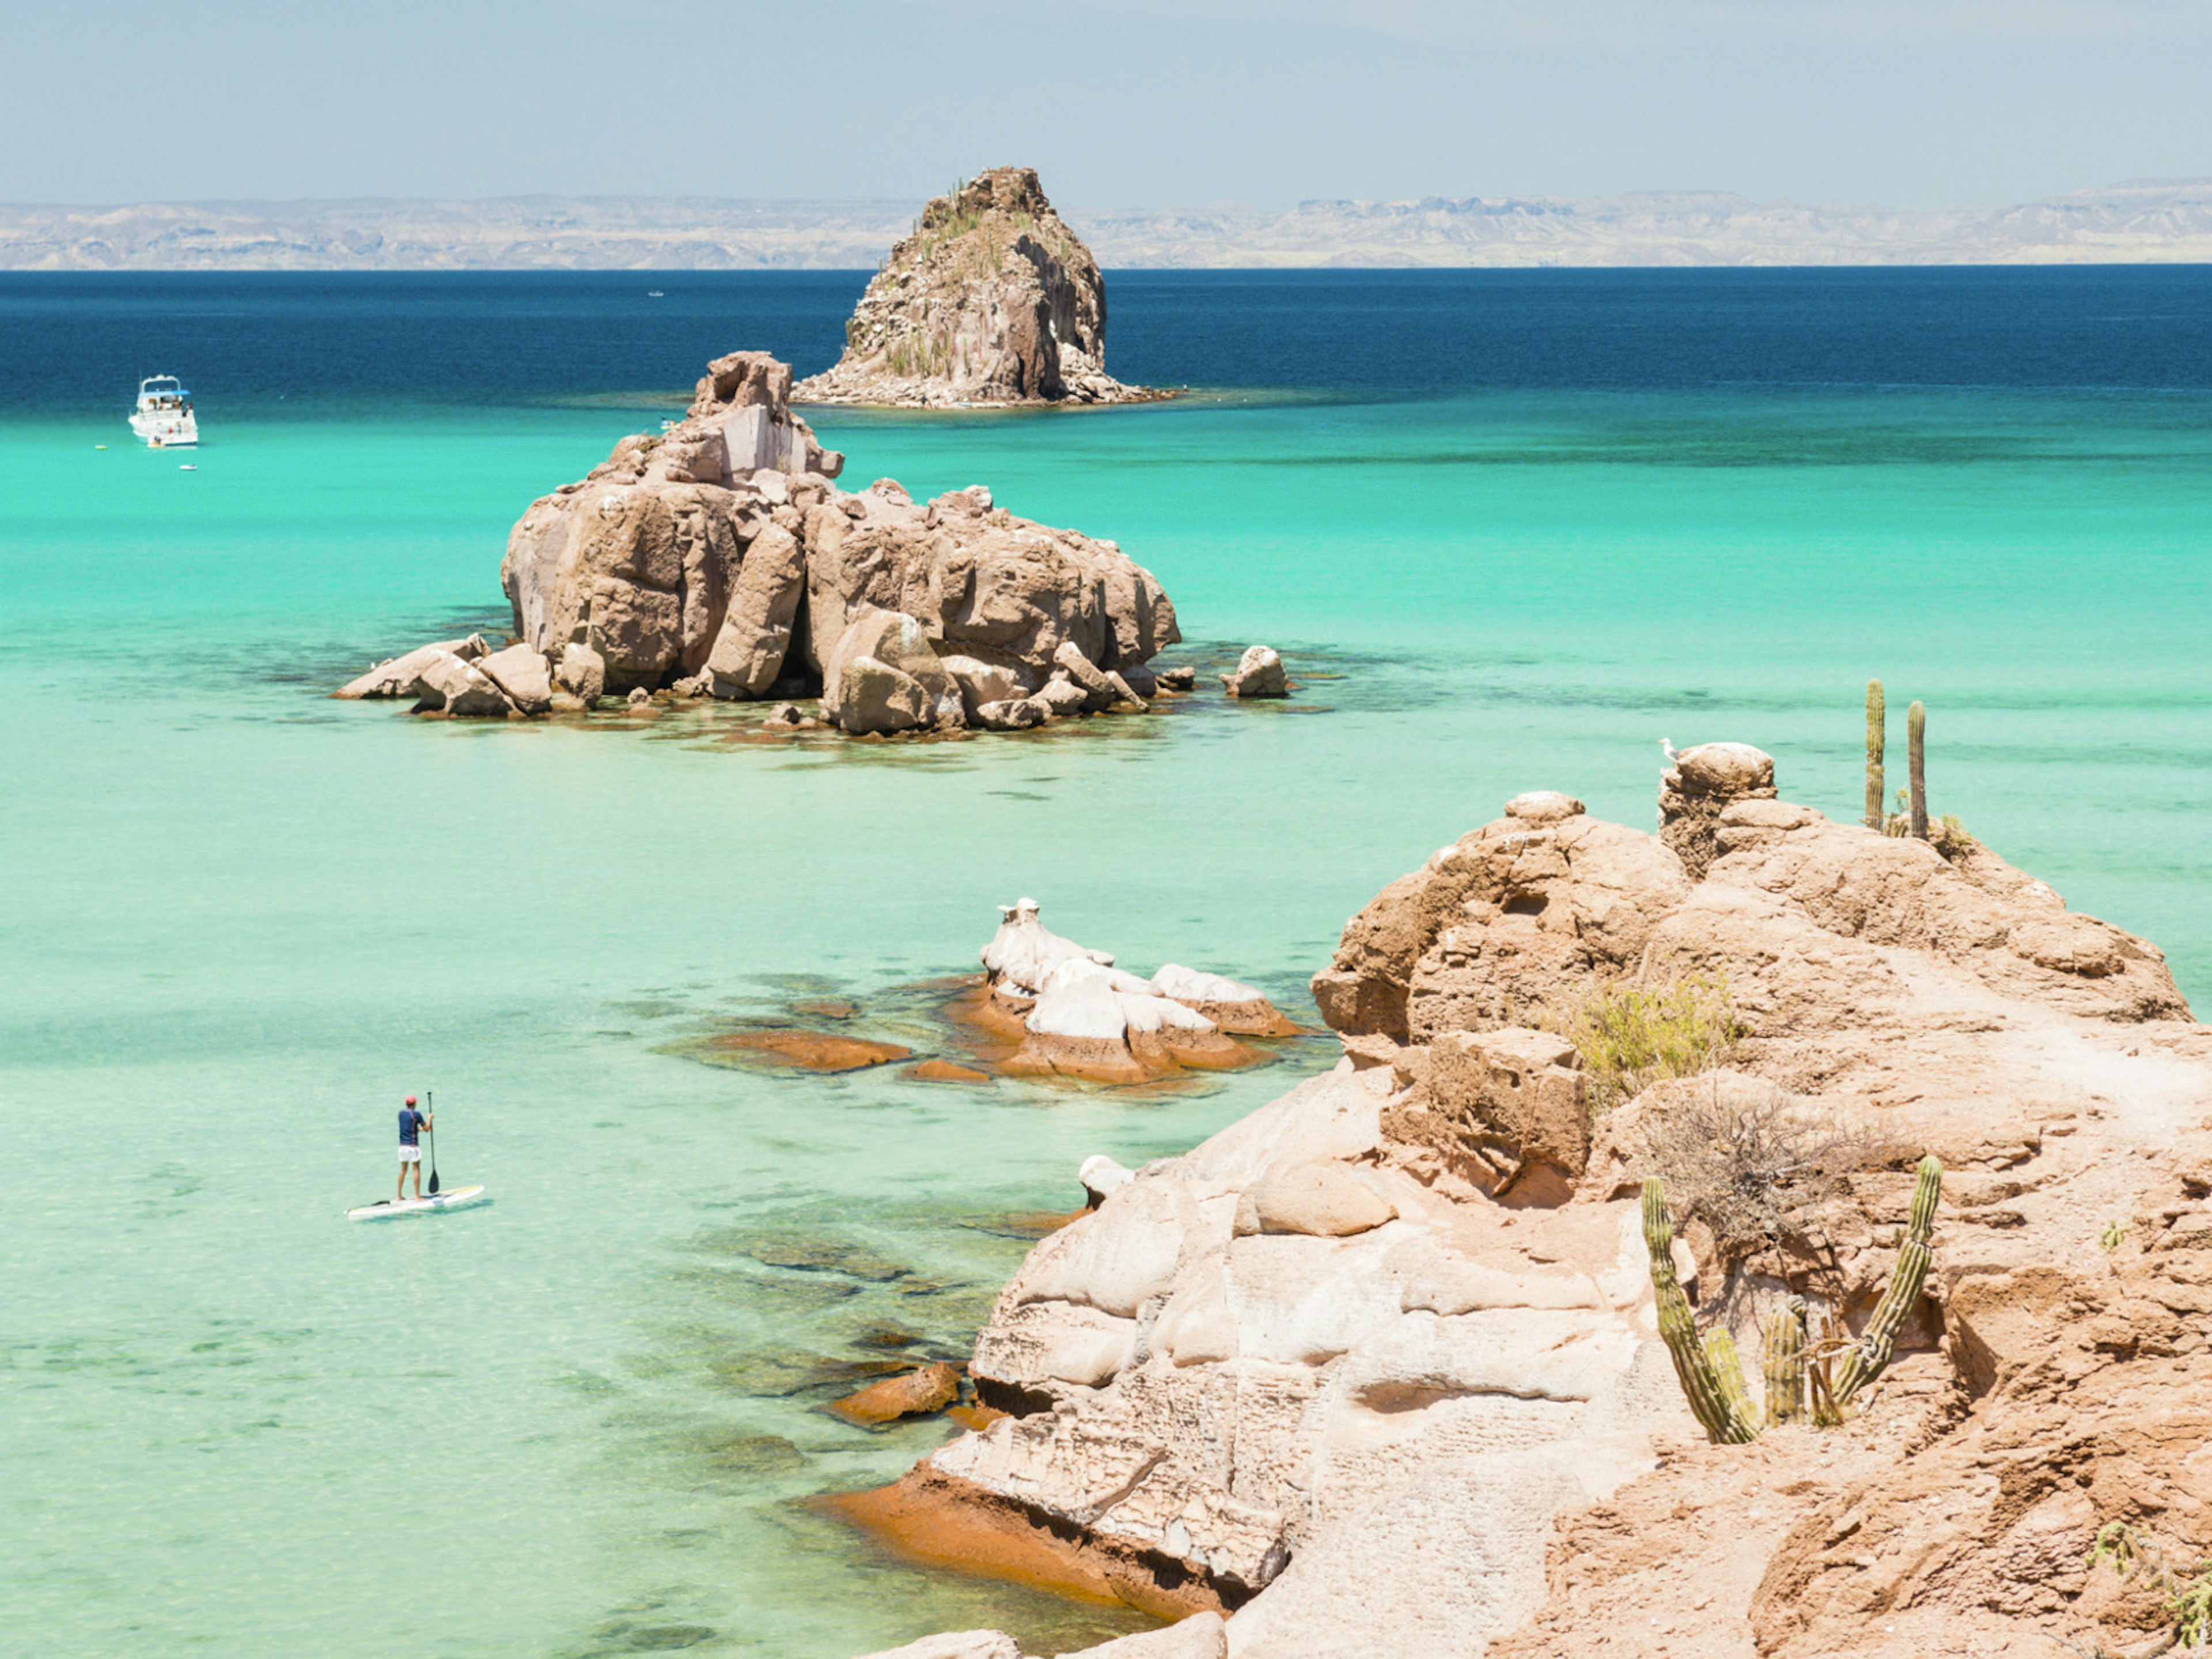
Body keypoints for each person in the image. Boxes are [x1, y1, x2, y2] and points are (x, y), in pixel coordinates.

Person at [397, 1094, 433, 1201]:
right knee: (416, 1169)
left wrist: (421, 1130)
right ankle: (417, 1196)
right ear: (414, 1104)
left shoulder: (400, 1114)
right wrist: (430, 1119)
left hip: (402, 1147)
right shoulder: (416, 1114)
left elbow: (410, 1129)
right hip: (413, 1147)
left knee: (403, 1170)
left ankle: (399, 1196)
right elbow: (427, 1129)